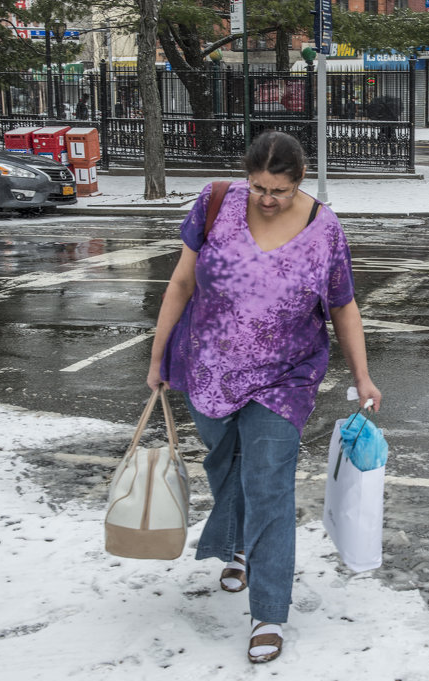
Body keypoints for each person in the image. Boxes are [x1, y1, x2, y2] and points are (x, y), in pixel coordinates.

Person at [147, 131, 381, 665]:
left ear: (299, 181)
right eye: (258, 187)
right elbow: (181, 284)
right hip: (208, 366)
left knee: (269, 480)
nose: (267, 199)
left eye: (278, 190)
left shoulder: (324, 230)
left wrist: (362, 376)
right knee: (225, 461)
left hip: (286, 376)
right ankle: (236, 545)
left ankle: (269, 613)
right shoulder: (214, 204)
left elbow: (343, 307)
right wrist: (158, 358)